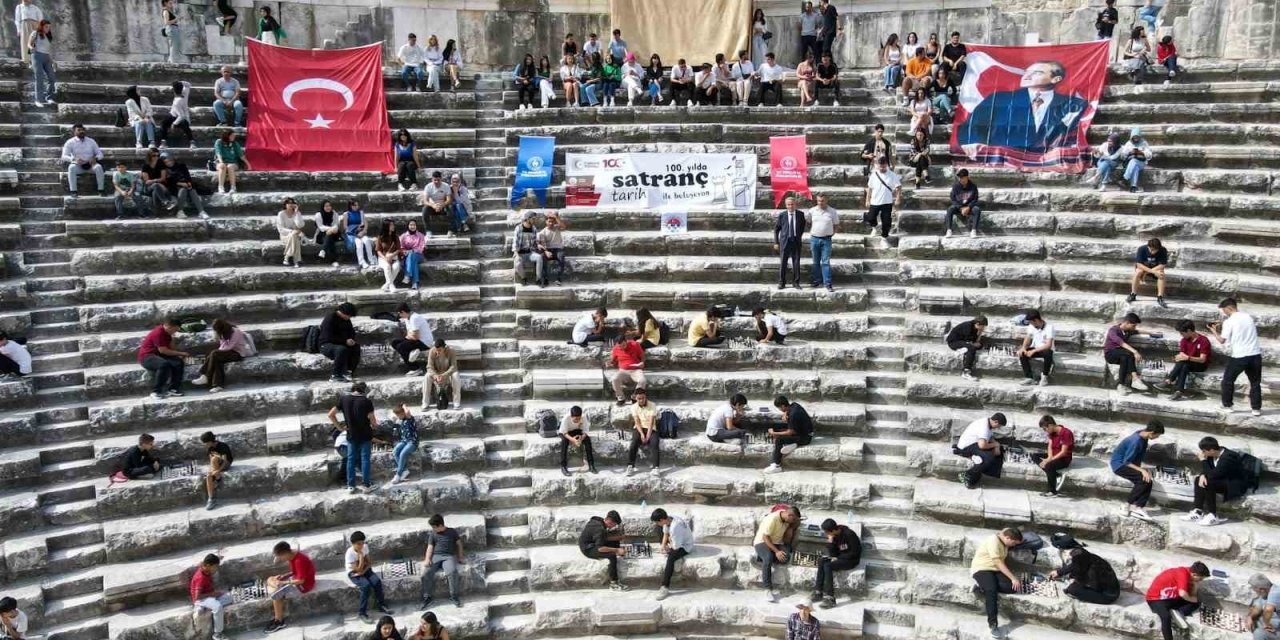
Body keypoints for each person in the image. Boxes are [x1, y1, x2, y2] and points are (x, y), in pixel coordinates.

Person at [956, 60, 1088, 153]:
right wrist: (974, 148)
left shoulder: (1074, 105)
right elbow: (971, 127)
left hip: (1047, 162)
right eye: (1026, 71)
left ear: (1056, 79)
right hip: (1002, 161)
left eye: (1037, 72)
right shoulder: (998, 99)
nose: (1027, 76)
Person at [1208, 297, 1263, 416]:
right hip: (1255, 355)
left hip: (1239, 356)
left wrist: (1213, 331)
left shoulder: (1229, 321)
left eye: (1224, 310)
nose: (1224, 313)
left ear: (1229, 308)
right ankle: (1256, 409)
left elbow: (1222, 340)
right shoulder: (1248, 317)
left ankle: (1227, 406)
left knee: (1227, 381)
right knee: (1255, 383)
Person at [1181, 436, 1248, 526]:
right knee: (1198, 480)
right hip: (1221, 480)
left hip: (1233, 484)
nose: (1202, 453)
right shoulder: (1212, 455)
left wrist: (1203, 461)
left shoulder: (1228, 457)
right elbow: (1208, 471)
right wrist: (1202, 475)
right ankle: (1198, 512)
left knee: (1208, 482)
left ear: (1212, 450)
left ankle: (1213, 515)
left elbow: (1213, 475)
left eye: (1204, 451)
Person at [971, 527, 1024, 638]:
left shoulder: (1004, 539)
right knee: (991, 590)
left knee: (1012, 588)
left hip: (994, 570)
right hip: (982, 569)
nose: (1013, 545)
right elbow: (998, 562)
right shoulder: (993, 540)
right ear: (1007, 538)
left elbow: (1007, 530)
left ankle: (983, 586)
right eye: (1013, 542)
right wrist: (1013, 578)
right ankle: (993, 624)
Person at [1109, 420, 1164, 521]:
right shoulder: (1136, 442)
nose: (1157, 438)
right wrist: (1142, 470)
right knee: (1142, 480)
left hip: (1128, 463)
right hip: (1119, 465)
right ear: (1151, 433)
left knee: (1148, 481)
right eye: (1158, 435)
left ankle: (1138, 507)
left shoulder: (1143, 433)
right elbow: (1126, 462)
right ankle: (1127, 505)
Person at [329, 380, 378, 493]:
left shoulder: (344, 399)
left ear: (353, 389)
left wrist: (339, 428)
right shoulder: (366, 402)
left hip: (351, 435)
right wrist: (375, 425)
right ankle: (366, 485)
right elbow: (373, 422)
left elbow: (330, 414)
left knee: (350, 460)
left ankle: (351, 485)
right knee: (365, 459)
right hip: (365, 436)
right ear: (364, 390)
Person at [1146, 562, 1211, 640]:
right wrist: (1192, 599)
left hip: (1170, 598)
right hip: (1155, 599)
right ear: (1194, 574)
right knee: (1166, 617)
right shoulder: (1182, 573)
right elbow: (1183, 594)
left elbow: (1191, 596)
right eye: (1200, 579)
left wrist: (1195, 587)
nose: (1200, 581)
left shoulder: (1189, 575)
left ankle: (1178, 612)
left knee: (1196, 603)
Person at [262, 541, 316, 634]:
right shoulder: (292, 556)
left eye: (280, 556)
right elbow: (295, 573)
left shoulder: (299, 560)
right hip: (296, 580)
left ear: (285, 553)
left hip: (304, 586)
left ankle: (279, 621)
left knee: (276, 595)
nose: (280, 558)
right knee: (270, 579)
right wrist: (283, 576)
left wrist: (282, 582)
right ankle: (275, 585)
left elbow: (301, 581)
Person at [192, 318, 254, 393]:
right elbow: (222, 345)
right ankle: (218, 386)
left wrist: (217, 351)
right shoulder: (222, 332)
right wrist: (218, 351)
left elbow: (230, 346)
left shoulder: (235, 332)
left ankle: (205, 376)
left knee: (214, 354)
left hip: (238, 354)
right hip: (227, 352)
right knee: (216, 359)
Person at [810, 518, 861, 608]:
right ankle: (818, 592)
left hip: (851, 560)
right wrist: (831, 542)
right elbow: (833, 554)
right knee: (822, 561)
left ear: (833, 530)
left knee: (828, 565)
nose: (826, 534)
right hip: (840, 558)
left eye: (827, 532)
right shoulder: (834, 536)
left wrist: (838, 558)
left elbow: (855, 553)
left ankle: (830, 598)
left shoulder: (849, 534)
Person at [755, 505, 801, 602]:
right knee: (768, 559)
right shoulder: (772, 519)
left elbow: (787, 539)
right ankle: (768, 589)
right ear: (789, 515)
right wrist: (777, 551)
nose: (793, 522)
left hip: (776, 543)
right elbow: (765, 537)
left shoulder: (787, 520)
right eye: (793, 520)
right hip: (762, 542)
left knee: (786, 557)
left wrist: (791, 528)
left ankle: (761, 557)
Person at [345, 531, 394, 624]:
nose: (361, 546)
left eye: (362, 543)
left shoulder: (365, 547)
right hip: (353, 573)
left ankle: (381, 605)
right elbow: (357, 569)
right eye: (358, 544)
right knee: (366, 586)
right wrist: (360, 556)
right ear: (353, 544)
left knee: (376, 582)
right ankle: (362, 613)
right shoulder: (349, 553)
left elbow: (369, 563)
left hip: (364, 569)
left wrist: (363, 569)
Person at [419, 513, 466, 608]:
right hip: (436, 556)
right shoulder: (433, 534)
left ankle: (454, 596)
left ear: (440, 525)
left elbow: (459, 544)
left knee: (452, 572)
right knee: (426, 573)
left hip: (449, 556)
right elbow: (430, 547)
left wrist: (460, 557)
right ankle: (427, 596)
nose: (433, 529)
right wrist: (427, 559)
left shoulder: (452, 532)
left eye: (434, 527)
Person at [138, 318, 189, 400]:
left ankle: (173, 389)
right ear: (169, 327)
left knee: (178, 363)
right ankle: (156, 391)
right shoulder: (158, 333)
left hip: (160, 355)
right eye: (174, 330)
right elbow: (163, 350)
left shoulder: (167, 333)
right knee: (163, 365)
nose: (174, 332)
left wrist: (178, 355)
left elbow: (171, 347)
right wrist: (181, 353)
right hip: (147, 357)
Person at [650, 508, 695, 601]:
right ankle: (666, 546)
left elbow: (676, 548)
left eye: (657, 522)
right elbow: (666, 533)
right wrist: (663, 546)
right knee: (658, 529)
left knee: (670, 559)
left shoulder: (675, 528)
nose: (656, 523)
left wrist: (669, 547)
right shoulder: (669, 519)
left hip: (685, 546)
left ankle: (665, 587)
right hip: (677, 540)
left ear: (662, 520)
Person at [579, 510, 629, 591]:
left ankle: (620, 551)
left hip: (591, 542)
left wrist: (618, 538)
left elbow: (603, 537)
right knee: (612, 556)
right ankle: (614, 583)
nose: (614, 527)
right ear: (610, 521)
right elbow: (600, 548)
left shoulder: (599, 521)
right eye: (614, 524)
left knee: (615, 542)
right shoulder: (600, 529)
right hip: (588, 549)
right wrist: (616, 550)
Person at [1050, 547, 1119, 605]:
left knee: (1073, 589)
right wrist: (1059, 572)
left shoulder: (1093, 571)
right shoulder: (1090, 557)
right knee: (1074, 576)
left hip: (1107, 595)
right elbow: (1075, 565)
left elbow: (1094, 587)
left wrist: (1077, 581)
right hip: (1104, 585)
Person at [955, 413, 1006, 490]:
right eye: (999, 426)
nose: (998, 428)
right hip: (966, 447)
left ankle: (980, 473)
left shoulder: (987, 422)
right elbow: (982, 445)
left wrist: (997, 445)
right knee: (988, 458)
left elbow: (990, 437)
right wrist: (995, 445)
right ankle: (967, 475)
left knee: (999, 452)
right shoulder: (984, 427)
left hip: (975, 444)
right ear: (996, 422)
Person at [1162, 320, 1210, 400]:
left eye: (1182, 333)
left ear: (1189, 331)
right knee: (1184, 365)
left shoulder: (1203, 341)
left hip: (1200, 364)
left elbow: (1202, 360)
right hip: (1187, 363)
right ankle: (1179, 391)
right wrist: (1177, 358)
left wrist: (1188, 358)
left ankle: (1169, 380)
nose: (1181, 335)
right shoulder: (1184, 340)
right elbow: (1182, 356)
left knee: (1184, 363)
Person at [764, 395, 812, 474]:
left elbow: (790, 432)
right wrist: (785, 413)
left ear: (783, 406)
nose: (779, 410)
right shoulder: (794, 405)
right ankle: (793, 444)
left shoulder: (793, 415)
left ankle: (776, 465)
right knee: (776, 426)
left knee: (779, 440)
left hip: (805, 438)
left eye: (779, 408)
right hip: (802, 431)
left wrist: (774, 433)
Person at [1105, 312, 1151, 393]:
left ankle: (1120, 385)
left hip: (1122, 355)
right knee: (1128, 353)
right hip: (1110, 355)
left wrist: (1151, 333)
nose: (1134, 327)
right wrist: (1135, 351)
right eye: (1133, 325)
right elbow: (1121, 342)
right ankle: (1135, 379)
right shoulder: (1113, 330)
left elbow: (1138, 331)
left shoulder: (1128, 330)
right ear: (1127, 323)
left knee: (1125, 358)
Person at [191, 553, 232, 640]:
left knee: (229, 598)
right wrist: (212, 594)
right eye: (215, 566)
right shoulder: (200, 578)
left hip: (209, 596)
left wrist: (218, 558)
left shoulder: (206, 567)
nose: (216, 569)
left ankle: (207, 608)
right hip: (201, 599)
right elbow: (197, 596)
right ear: (209, 565)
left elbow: (203, 562)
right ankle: (217, 634)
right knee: (218, 606)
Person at [1030, 416, 1073, 497]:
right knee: (1034, 455)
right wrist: (1049, 458)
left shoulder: (1066, 433)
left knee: (1049, 465)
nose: (1045, 431)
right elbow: (1050, 446)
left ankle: (1052, 491)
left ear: (1050, 425)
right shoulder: (1051, 433)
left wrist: (1049, 461)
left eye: (1045, 429)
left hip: (1063, 459)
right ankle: (1054, 474)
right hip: (1053, 455)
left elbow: (1063, 452)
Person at [806, 192, 840, 290]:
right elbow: (808, 222)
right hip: (814, 239)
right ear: (817, 201)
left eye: (823, 201)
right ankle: (816, 281)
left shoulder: (832, 211)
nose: (821, 203)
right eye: (819, 201)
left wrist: (832, 233)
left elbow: (836, 224)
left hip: (826, 240)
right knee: (815, 262)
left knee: (825, 262)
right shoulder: (812, 211)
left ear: (826, 200)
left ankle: (828, 283)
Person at [320, 302, 360, 383]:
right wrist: (344, 341)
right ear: (343, 313)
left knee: (356, 347)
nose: (349, 317)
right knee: (341, 350)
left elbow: (351, 332)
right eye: (349, 315)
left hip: (342, 343)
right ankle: (335, 375)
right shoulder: (330, 318)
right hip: (326, 345)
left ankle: (348, 372)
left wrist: (351, 339)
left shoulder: (347, 320)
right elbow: (328, 337)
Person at [61, 124, 105, 197]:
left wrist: (95, 158)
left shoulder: (91, 141)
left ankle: (101, 190)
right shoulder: (70, 142)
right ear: (74, 132)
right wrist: (73, 159)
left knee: (98, 167)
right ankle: (73, 191)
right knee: (71, 168)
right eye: (79, 130)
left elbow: (100, 154)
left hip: (91, 165)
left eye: (83, 130)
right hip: (78, 165)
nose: (81, 131)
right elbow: (63, 156)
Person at [625, 388, 660, 475]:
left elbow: (651, 421)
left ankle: (656, 467)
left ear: (645, 397)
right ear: (636, 398)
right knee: (633, 443)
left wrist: (647, 435)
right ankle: (630, 466)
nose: (641, 400)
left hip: (651, 428)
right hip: (639, 428)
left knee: (655, 443)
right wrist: (641, 434)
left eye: (643, 398)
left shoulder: (652, 405)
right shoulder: (634, 407)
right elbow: (637, 421)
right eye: (639, 399)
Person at [865, 156, 902, 240]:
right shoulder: (874, 175)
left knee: (886, 222)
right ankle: (875, 228)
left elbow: (898, 187)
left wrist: (898, 198)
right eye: (880, 166)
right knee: (870, 217)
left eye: (884, 166)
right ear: (877, 165)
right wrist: (867, 200)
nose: (882, 168)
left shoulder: (892, 175)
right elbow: (869, 188)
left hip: (887, 202)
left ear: (887, 165)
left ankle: (884, 237)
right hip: (875, 201)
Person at [1125, 237, 1170, 306]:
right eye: (1150, 249)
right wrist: (1149, 271)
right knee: (1138, 272)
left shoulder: (1163, 250)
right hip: (1143, 268)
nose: (1152, 252)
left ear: (1158, 248)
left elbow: (1162, 265)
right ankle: (1133, 294)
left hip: (1155, 269)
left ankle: (1160, 297)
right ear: (1148, 246)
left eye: (1154, 250)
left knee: (1161, 274)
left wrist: (1147, 273)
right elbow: (1139, 264)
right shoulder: (1142, 249)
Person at [773, 196, 806, 289]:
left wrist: (798, 235)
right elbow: (776, 229)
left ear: (795, 204)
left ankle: (796, 282)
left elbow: (802, 226)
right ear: (786, 205)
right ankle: (782, 282)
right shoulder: (782, 215)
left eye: (792, 204)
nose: (790, 206)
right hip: (785, 241)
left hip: (796, 241)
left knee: (796, 262)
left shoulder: (800, 214)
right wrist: (776, 242)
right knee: (783, 262)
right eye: (788, 204)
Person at [162, 153, 208, 219]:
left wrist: (189, 183)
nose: (169, 163)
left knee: (191, 189)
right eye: (166, 162)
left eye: (170, 160)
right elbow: (168, 182)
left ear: (173, 159)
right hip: (174, 188)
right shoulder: (165, 170)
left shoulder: (181, 165)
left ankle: (201, 212)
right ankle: (180, 211)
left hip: (185, 185)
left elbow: (187, 176)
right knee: (183, 189)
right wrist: (181, 184)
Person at [393, 302, 433, 376]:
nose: (399, 316)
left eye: (399, 314)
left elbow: (415, 336)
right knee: (394, 343)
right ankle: (413, 351)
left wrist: (409, 336)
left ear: (403, 312)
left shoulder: (414, 318)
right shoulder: (407, 318)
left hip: (425, 343)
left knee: (400, 347)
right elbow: (409, 333)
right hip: (416, 340)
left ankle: (415, 369)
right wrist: (409, 336)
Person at [422, 338, 461, 411]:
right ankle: (425, 402)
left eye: (439, 350)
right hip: (436, 373)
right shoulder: (432, 351)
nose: (437, 352)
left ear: (444, 347)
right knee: (427, 376)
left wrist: (444, 375)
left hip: (448, 373)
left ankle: (456, 402)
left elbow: (453, 366)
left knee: (456, 375)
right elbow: (429, 367)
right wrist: (435, 375)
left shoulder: (451, 351)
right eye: (436, 350)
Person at [945, 315, 987, 380]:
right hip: (954, 342)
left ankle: (963, 349)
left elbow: (976, 341)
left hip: (963, 342)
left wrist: (980, 332)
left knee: (980, 345)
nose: (984, 328)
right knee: (971, 348)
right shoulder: (968, 326)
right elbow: (970, 341)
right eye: (983, 326)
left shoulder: (975, 327)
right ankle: (966, 372)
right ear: (978, 324)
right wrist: (974, 344)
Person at [559, 405, 597, 476]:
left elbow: (585, 431)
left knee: (587, 440)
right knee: (564, 441)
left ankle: (591, 465)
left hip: (577, 431)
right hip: (566, 432)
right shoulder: (566, 418)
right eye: (575, 419)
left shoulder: (583, 417)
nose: (577, 420)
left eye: (579, 419)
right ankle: (563, 466)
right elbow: (564, 433)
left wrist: (581, 438)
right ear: (571, 416)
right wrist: (573, 440)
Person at [387, 404, 420, 484]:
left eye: (399, 415)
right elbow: (392, 416)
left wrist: (403, 405)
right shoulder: (401, 420)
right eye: (397, 415)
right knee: (395, 452)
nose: (398, 416)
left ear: (403, 413)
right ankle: (404, 470)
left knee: (402, 453)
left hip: (412, 442)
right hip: (404, 441)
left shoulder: (410, 418)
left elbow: (407, 412)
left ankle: (398, 475)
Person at [201, 431, 233, 510]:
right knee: (208, 476)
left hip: (225, 464)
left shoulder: (222, 446)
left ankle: (217, 478)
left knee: (215, 459)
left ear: (209, 441)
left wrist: (218, 471)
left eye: (205, 442)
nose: (204, 444)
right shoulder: (210, 448)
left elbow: (225, 461)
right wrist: (211, 471)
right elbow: (210, 460)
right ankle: (211, 499)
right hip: (216, 465)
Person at [611, 334, 646, 407]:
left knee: (642, 380)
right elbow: (612, 361)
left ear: (626, 341)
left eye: (623, 345)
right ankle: (621, 398)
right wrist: (609, 363)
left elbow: (642, 355)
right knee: (614, 379)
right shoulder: (615, 348)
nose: (622, 348)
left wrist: (642, 362)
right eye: (619, 346)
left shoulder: (635, 344)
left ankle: (634, 397)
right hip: (623, 371)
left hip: (636, 370)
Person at [27, 19, 55, 107]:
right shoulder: (35, 33)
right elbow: (28, 44)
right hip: (36, 56)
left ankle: (49, 97)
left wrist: (52, 60)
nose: (48, 29)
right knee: (39, 77)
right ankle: (38, 99)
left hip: (46, 57)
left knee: (52, 78)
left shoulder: (49, 36)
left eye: (49, 27)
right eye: (46, 27)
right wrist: (31, 48)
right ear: (41, 26)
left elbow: (49, 50)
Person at [945, 169, 981, 238]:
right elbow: (953, 199)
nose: (961, 179)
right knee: (950, 209)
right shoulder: (955, 186)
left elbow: (975, 199)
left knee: (977, 210)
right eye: (960, 178)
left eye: (962, 177)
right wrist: (960, 208)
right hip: (959, 207)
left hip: (969, 207)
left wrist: (968, 207)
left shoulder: (973, 186)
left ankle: (974, 231)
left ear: (967, 177)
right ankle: (949, 230)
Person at [534, 212, 566, 287]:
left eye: (552, 222)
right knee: (542, 258)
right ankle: (545, 279)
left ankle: (559, 279)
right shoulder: (542, 232)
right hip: (548, 250)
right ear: (546, 222)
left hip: (558, 249)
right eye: (549, 221)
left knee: (561, 257)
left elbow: (563, 226)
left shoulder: (557, 227)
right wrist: (546, 252)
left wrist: (556, 217)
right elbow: (542, 244)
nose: (551, 223)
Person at [213, 129, 248, 194]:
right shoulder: (219, 142)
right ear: (227, 136)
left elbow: (241, 156)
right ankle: (220, 187)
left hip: (233, 163)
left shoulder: (235, 143)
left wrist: (248, 164)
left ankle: (233, 187)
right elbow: (218, 153)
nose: (234, 137)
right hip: (221, 161)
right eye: (232, 136)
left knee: (230, 166)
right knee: (222, 166)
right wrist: (221, 162)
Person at [1118, 127, 1152, 193]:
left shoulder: (1144, 143)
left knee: (1134, 161)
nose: (1136, 138)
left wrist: (1140, 152)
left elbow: (1149, 155)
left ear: (1140, 137)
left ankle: (1125, 178)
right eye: (1134, 137)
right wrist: (1129, 152)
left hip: (1141, 162)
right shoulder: (1128, 143)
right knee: (1134, 166)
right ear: (1132, 137)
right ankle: (1133, 187)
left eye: (1137, 137)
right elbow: (1123, 155)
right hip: (1131, 163)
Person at [345, 200, 376, 270]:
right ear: (351, 206)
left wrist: (363, 231)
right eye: (354, 205)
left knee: (367, 240)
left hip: (361, 232)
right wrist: (355, 229)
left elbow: (365, 224)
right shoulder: (346, 214)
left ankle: (371, 259)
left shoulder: (361, 213)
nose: (357, 207)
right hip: (352, 234)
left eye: (357, 205)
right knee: (359, 243)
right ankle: (361, 261)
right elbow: (345, 227)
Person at [140, 148, 174, 212]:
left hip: (162, 186)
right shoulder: (145, 166)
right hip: (149, 188)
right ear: (149, 156)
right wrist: (156, 181)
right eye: (154, 155)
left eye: (158, 155)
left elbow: (163, 178)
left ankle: (157, 214)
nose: (156, 157)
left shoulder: (161, 163)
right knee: (155, 186)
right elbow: (147, 182)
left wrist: (154, 180)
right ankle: (166, 202)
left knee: (155, 191)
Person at [276, 197, 305, 268]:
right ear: (285, 205)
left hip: (297, 234)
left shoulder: (297, 213)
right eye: (289, 203)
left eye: (292, 203)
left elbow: (300, 225)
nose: (291, 205)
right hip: (285, 235)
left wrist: (296, 213)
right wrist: (292, 231)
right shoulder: (281, 214)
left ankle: (287, 257)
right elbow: (281, 229)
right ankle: (296, 261)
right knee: (294, 236)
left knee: (294, 236)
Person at [1248, 574, 1279, 640]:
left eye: (1254, 589)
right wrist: (1250, 617)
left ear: (1262, 589)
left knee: (1259, 633)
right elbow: (1257, 607)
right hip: (1269, 630)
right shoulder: (1264, 594)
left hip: (1277, 631)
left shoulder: (1276, 592)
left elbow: (1268, 610)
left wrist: (1267, 624)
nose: (1254, 591)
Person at [512, 210, 539, 285]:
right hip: (520, 253)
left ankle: (538, 279)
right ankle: (524, 278)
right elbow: (515, 242)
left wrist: (538, 245)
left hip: (530, 253)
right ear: (527, 219)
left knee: (539, 257)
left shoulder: (534, 229)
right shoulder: (519, 228)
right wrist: (516, 254)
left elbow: (535, 242)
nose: (534, 220)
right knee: (517, 264)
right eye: (533, 219)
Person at [314, 200, 344, 267]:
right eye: (326, 206)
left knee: (330, 235)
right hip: (322, 234)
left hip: (335, 233)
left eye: (329, 206)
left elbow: (336, 225)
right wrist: (329, 229)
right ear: (323, 207)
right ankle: (333, 260)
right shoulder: (318, 215)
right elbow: (321, 227)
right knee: (330, 238)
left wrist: (332, 229)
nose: (328, 207)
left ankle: (323, 251)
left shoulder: (334, 213)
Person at [375, 221, 402, 293]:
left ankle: (386, 285)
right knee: (387, 267)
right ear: (386, 226)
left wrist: (392, 255)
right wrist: (385, 258)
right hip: (383, 258)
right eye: (391, 225)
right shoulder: (380, 237)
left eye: (393, 225)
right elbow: (378, 251)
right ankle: (391, 285)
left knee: (396, 267)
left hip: (394, 258)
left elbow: (399, 249)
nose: (393, 226)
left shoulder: (396, 237)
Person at [399, 219, 426, 291]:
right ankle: (415, 283)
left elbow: (421, 248)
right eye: (411, 225)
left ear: (416, 226)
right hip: (407, 256)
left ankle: (407, 275)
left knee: (412, 255)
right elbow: (400, 247)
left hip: (419, 255)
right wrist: (404, 251)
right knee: (413, 263)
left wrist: (411, 251)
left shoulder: (421, 235)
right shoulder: (403, 236)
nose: (412, 226)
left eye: (414, 225)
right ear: (408, 226)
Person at [14, 0, 42, 65]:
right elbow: (17, 20)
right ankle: (26, 60)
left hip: (34, 25)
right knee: (25, 42)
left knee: (34, 42)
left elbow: (40, 19)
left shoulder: (35, 8)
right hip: (24, 25)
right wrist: (18, 30)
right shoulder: (19, 7)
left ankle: (35, 59)